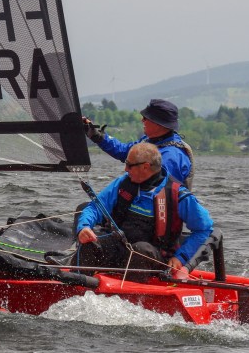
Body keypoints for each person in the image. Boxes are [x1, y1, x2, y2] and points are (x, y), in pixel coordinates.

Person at [73, 142, 213, 280]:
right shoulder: (122, 184)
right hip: (119, 248)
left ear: (145, 166)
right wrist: (84, 227)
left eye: (129, 165)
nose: (126, 169)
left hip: (154, 257)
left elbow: (204, 229)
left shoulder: (178, 195)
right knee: (90, 243)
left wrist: (181, 257)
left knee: (140, 250)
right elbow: (95, 207)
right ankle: (73, 285)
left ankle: (128, 293)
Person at [83, 98, 194, 189]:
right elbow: (124, 151)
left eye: (146, 118)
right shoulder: (149, 141)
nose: (142, 120)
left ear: (158, 123)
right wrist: (98, 136)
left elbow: (159, 193)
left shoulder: (171, 157)